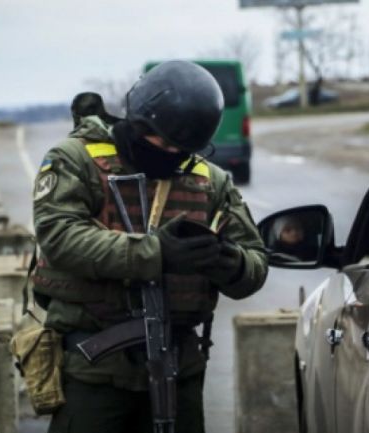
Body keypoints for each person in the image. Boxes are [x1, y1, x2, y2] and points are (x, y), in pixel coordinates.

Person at [32, 60, 267, 433]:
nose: (171, 153)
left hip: (179, 367)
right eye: (164, 142)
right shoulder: (76, 160)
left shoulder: (209, 180)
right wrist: (156, 253)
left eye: (181, 149)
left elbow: (255, 263)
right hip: (95, 369)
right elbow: (60, 236)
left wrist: (227, 262)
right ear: (139, 122)